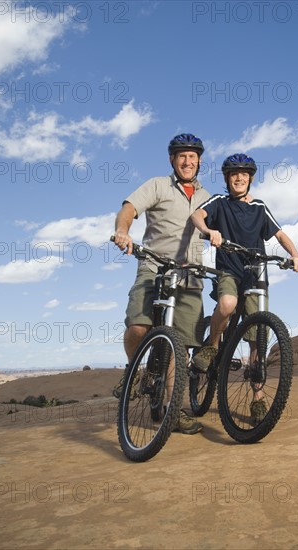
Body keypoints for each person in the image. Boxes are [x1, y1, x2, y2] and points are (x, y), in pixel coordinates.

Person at [190, 153, 298, 425]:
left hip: (255, 275)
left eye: (244, 174)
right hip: (229, 270)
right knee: (228, 304)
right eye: (234, 174)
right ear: (227, 179)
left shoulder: (259, 207)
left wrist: (296, 255)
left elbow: (279, 234)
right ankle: (211, 347)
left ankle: (257, 399)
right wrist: (209, 231)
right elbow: (196, 215)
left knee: (258, 338)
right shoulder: (220, 203)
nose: (239, 178)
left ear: (250, 178)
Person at [112, 133, 211, 435]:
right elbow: (129, 208)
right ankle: (135, 371)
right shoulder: (157, 185)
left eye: (192, 156)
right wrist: (122, 231)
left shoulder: (209, 197)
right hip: (154, 267)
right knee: (138, 328)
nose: (187, 161)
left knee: (179, 348)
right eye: (182, 155)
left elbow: (225, 229)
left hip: (190, 276)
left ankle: (173, 411)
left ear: (199, 161)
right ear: (172, 159)